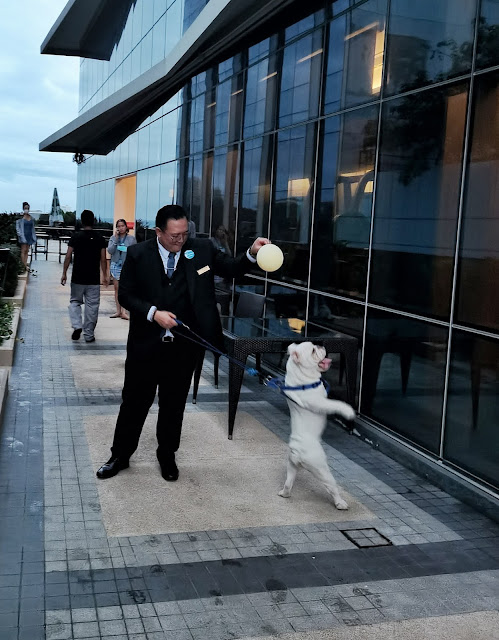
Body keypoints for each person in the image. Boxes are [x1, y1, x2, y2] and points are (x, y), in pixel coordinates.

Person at [96, 204, 270, 482]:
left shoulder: (201, 249)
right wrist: (154, 313)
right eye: (174, 235)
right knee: (134, 402)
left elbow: (233, 268)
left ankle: (167, 455)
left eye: (184, 234)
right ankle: (120, 455)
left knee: (173, 404)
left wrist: (252, 252)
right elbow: (126, 295)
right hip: (145, 345)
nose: (180, 240)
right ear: (158, 232)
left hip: (184, 347)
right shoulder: (138, 254)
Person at [61, 210, 108, 343]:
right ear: (94, 221)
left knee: (75, 302)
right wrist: (105, 275)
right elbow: (103, 259)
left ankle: (77, 325)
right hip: (93, 279)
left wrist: (64, 273)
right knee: (92, 306)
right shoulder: (100, 238)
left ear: (81, 221)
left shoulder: (75, 237)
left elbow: (68, 256)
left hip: (77, 278)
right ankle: (89, 335)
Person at [107, 218, 137, 320]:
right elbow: (110, 250)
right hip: (116, 264)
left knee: (125, 288)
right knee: (116, 288)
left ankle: (124, 311)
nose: (121, 228)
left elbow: (135, 252)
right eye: (119, 226)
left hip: (126, 265)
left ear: (126, 227)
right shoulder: (113, 238)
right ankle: (118, 310)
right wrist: (116, 240)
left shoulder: (131, 239)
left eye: (122, 226)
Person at [15, 202, 37, 267]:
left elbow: (33, 227)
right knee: (23, 250)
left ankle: (25, 264)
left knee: (27, 250)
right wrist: (19, 234)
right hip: (23, 236)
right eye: (25, 208)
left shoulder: (31, 217)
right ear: (23, 208)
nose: (26, 209)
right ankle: (22, 265)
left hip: (29, 235)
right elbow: (17, 227)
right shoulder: (20, 218)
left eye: (27, 208)